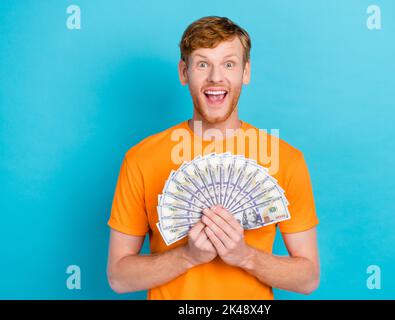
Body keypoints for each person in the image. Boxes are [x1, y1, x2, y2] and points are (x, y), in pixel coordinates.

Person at [107, 16, 320, 300]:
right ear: (184, 73)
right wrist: (188, 256)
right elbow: (119, 277)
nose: (216, 77)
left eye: (228, 64)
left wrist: (244, 256)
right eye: (202, 64)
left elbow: (308, 279)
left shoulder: (286, 159)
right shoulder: (141, 159)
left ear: (246, 72)